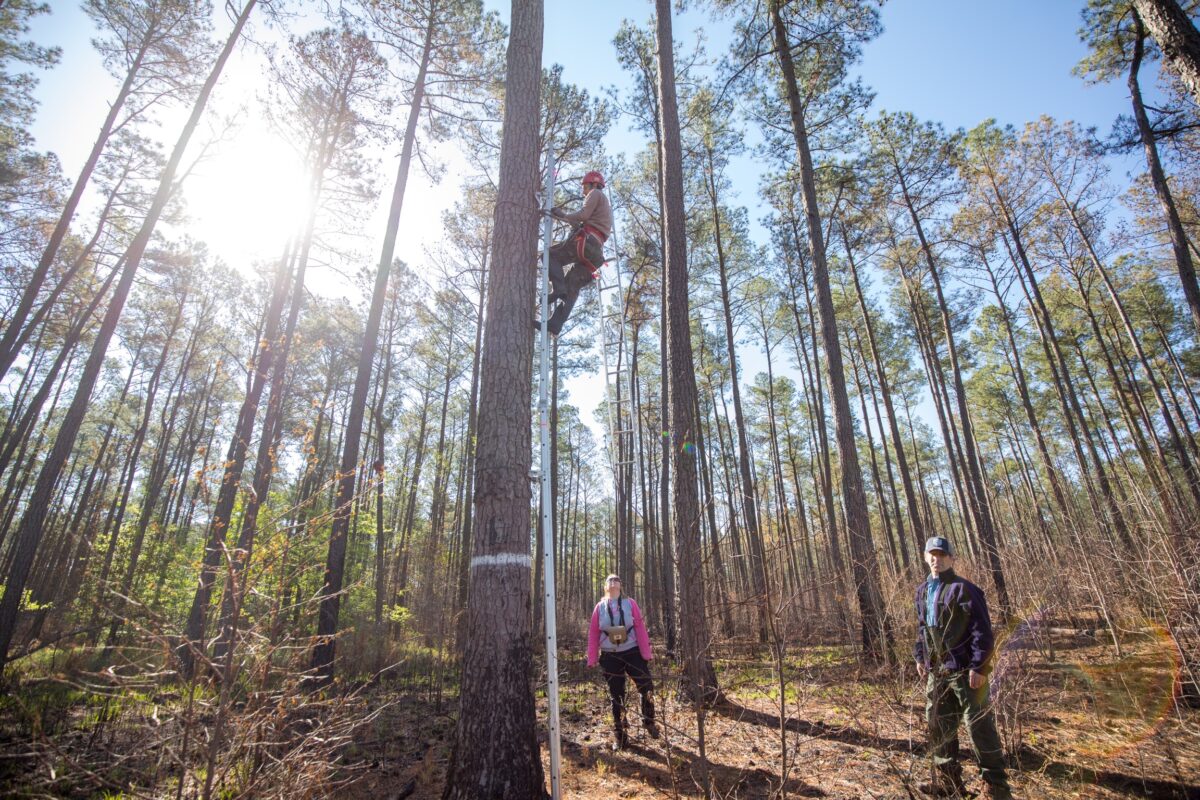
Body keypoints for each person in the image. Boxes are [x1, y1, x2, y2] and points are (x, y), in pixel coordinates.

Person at [914, 536, 1014, 800]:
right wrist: (920, 658)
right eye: (932, 555)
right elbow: (922, 628)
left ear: (951, 558)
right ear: (926, 557)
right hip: (938, 672)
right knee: (938, 723)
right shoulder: (923, 591)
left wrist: (979, 666)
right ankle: (949, 782)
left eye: (942, 555)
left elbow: (983, 630)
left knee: (978, 725)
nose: (937, 559)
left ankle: (996, 787)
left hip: (966, 671)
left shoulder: (965, 589)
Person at [534, 170, 612, 336]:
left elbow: (583, 215)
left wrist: (563, 215)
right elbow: (590, 223)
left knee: (549, 256)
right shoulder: (605, 206)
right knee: (572, 287)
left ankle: (558, 289)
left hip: (586, 243)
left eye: (585, 187)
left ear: (593, 184)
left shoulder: (595, 193)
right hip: (595, 253)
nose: (583, 191)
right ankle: (555, 324)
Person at [586, 574, 657, 750]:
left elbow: (640, 627)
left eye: (616, 579)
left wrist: (646, 652)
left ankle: (649, 721)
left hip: (632, 652)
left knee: (646, 685)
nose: (613, 581)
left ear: (621, 585)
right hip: (610, 656)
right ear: (605, 587)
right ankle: (621, 736)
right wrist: (592, 657)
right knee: (617, 695)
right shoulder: (599, 607)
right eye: (610, 580)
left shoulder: (630, 603)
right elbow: (593, 633)